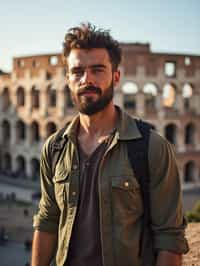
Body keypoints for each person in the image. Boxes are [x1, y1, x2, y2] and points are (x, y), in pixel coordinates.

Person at [32, 23, 189, 266]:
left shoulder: (151, 147)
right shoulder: (54, 148)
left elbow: (170, 239)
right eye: (77, 71)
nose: (87, 80)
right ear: (68, 79)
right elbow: (47, 221)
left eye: (97, 70)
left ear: (116, 76)